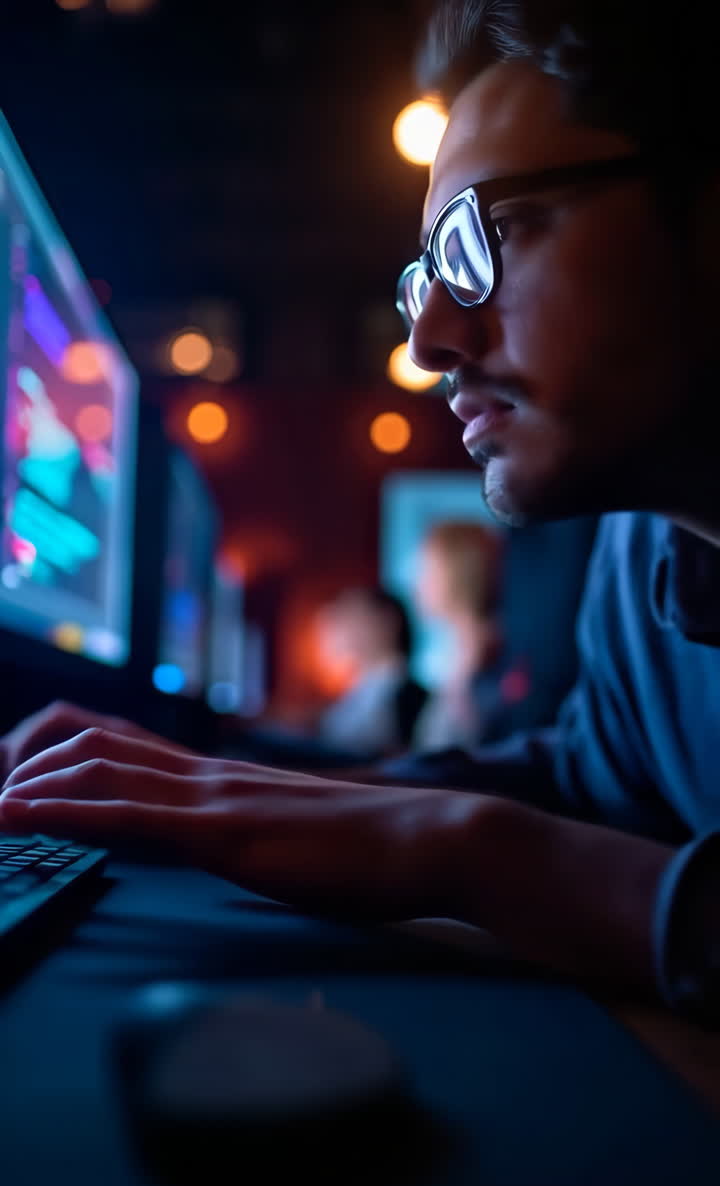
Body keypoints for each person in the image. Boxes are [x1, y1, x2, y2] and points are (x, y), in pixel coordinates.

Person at [1, 0, 719, 1020]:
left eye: (489, 234)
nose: (427, 342)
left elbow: (544, 830)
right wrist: (217, 784)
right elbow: (594, 778)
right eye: (427, 271)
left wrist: (476, 853)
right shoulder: (641, 552)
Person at [411, 519, 515, 750]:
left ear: (459, 571)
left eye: (426, 570)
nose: (417, 585)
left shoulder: (496, 660)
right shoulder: (459, 656)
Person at [314, 586, 428, 756]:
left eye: (354, 615)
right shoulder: (354, 694)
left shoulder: (413, 700)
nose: (342, 626)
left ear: (388, 621)